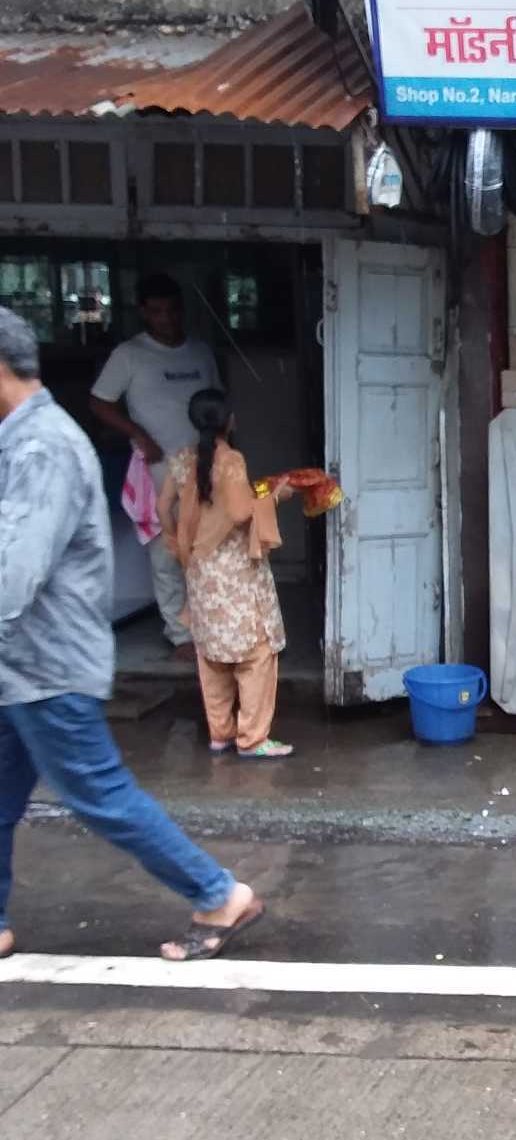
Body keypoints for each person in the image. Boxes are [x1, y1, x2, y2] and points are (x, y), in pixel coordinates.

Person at [0, 307, 263, 962]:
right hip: (19, 664)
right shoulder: (24, 440)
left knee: (100, 794)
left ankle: (218, 892)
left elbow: (13, 576)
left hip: (48, 667)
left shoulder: (42, 448)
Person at [158, 390, 294, 760]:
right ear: (229, 421)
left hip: (201, 571)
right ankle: (253, 739)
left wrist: (179, 546)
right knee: (256, 653)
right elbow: (239, 513)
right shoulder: (231, 459)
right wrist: (276, 497)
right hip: (235, 571)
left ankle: (220, 734)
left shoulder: (182, 459)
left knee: (212, 655)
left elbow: (162, 507)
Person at [90, 273, 221, 657]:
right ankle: (180, 634)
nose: (166, 318)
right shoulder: (129, 354)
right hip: (159, 467)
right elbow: (99, 402)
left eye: (172, 310)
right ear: (144, 313)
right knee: (166, 550)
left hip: (205, 464)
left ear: (182, 309)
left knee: (207, 547)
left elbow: (217, 402)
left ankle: (210, 624)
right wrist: (138, 435)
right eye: (157, 311)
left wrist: (225, 451)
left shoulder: (200, 352)